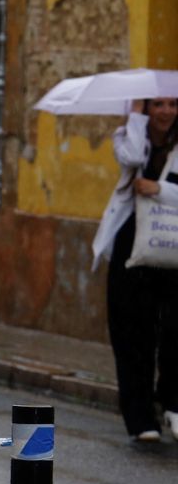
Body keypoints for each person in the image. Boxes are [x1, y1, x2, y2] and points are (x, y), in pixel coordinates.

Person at [92, 96, 178, 442]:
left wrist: (160, 190)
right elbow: (129, 158)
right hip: (131, 243)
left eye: (173, 105)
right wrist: (136, 122)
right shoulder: (127, 136)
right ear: (143, 108)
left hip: (173, 247)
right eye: (156, 105)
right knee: (131, 332)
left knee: (174, 329)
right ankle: (140, 416)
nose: (166, 112)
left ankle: (172, 399)